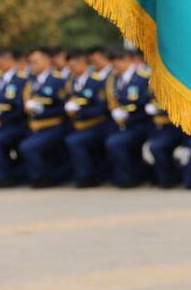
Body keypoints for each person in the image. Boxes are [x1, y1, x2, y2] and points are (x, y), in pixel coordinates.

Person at [18, 47, 72, 187]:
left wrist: (42, 110)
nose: (32, 65)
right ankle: (36, 176)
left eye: (35, 62)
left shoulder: (57, 80)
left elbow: (63, 106)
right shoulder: (31, 81)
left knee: (28, 147)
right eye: (30, 62)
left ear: (47, 61)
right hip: (35, 126)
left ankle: (43, 178)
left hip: (54, 125)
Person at [64, 49, 114, 187]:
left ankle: (86, 177)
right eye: (69, 66)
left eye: (73, 65)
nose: (71, 69)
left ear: (82, 63)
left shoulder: (96, 81)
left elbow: (102, 108)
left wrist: (80, 110)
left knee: (74, 141)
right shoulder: (71, 83)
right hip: (77, 125)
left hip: (96, 125)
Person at [105, 49, 153, 188]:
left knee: (115, 143)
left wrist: (127, 113)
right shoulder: (115, 79)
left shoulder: (142, 78)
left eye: (117, 63)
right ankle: (123, 176)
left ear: (126, 60)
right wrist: (117, 111)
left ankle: (128, 178)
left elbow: (147, 101)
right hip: (123, 125)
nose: (115, 67)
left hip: (140, 123)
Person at [0, 48, 29, 187]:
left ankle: (3, 178)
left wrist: (1, 113)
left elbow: (20, 106)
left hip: (16, 124)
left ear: (8, 60)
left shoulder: (21, 80)